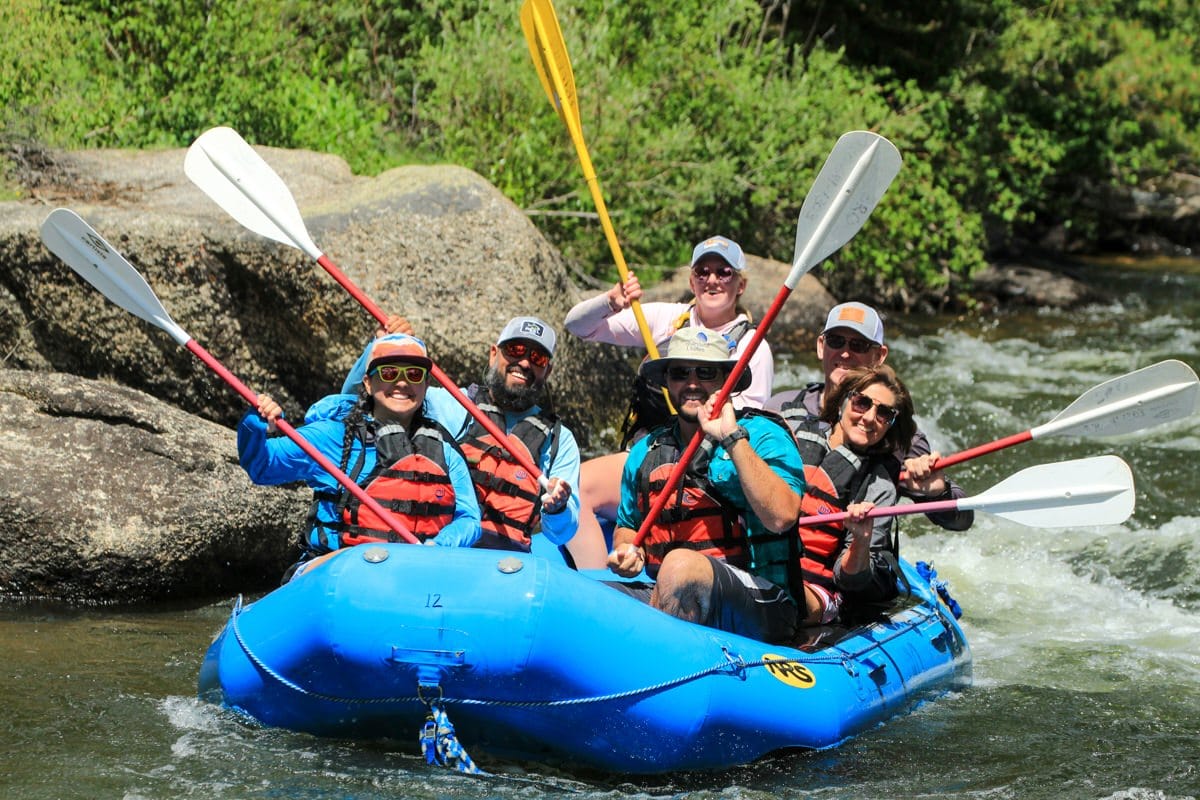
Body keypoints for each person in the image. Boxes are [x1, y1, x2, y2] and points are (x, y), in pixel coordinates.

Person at [564, 235, 775, 566]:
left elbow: (749, 426)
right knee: (576, 484)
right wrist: (612, 300)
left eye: (724, 272)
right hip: (654, 455)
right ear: (692, 280)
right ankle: (600, 583)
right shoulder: (667, 318)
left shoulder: (754, 348)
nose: (712, 280)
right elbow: (577, 326)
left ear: (741, 284)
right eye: (703, 272)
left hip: (711, 467)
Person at [606, 326, 804, 644]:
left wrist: (730, 436)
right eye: (681, 373)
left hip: (765, 601)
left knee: (679, 566)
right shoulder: (646, 450)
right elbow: (628, 526)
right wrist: (627, 551)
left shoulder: (764, 436)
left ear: (726, 380)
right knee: (599, 597)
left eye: (706, 373)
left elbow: (781, 516)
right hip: (673, 592)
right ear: (667, 382)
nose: (693, 383)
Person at [238, 333, 482, 577]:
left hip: (414, 573)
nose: (402, 382)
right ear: (367, 383)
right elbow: (262, 467)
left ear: (425, 385)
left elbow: (468, 518)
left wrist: (438, 547)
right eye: (389, 373)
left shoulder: (443, 450)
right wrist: (255, 424)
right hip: (339, 573)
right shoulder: (334, 436)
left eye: (414, 374)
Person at [338, 316, 581, 559]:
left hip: (507, 566)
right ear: (493, 354)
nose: (525, 362)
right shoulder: (454, 404)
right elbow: (355, 402)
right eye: (515, 350)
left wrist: (558, 508)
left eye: (538, 358)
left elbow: (562, 535)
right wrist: (381, 347)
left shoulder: (559, 440)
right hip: (442, 556)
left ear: (547, 370)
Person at [767, 301, 973, 531]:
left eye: (859, 345)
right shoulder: (780, 408)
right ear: (821, 346)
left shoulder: (894, 432)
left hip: (852, 556)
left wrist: (938, 492)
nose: (845, 352)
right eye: (836, 341)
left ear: (879, 355)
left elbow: (961, 521)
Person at [790, 364, 918, 625]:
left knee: (780, 598)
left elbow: (850, 580)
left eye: (884, 413)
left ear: (890, 425)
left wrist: (861, 539)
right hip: (763, 569)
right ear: (843, 402)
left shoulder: (879, 486)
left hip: (818, 592)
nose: (870, 417)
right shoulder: (792, 437)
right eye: (862, 403)